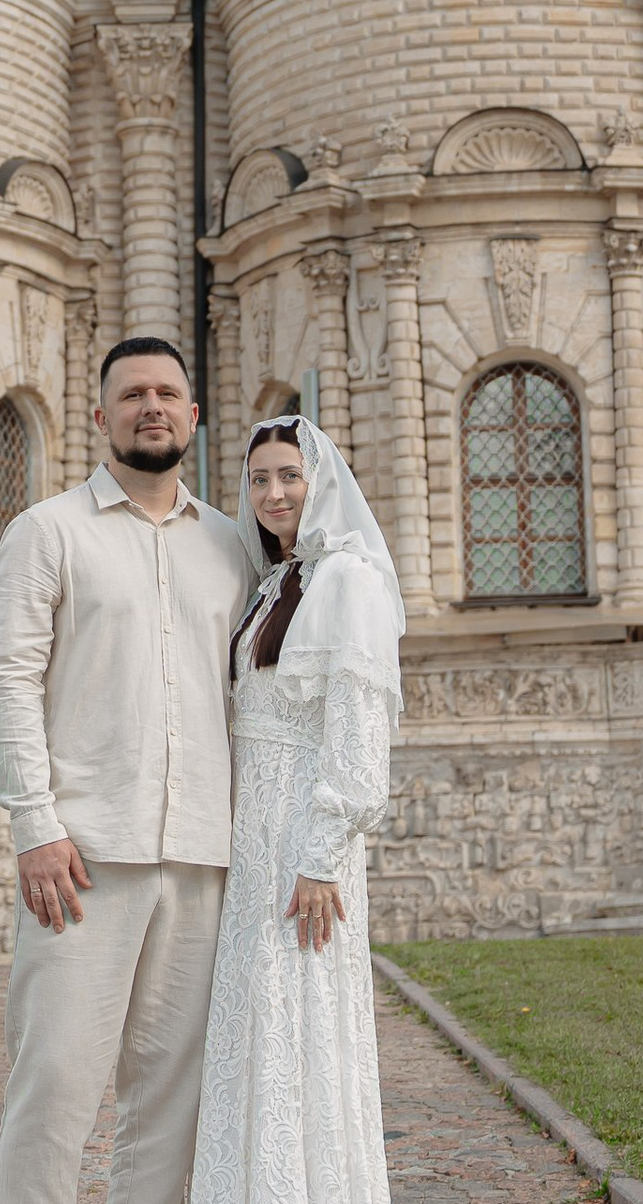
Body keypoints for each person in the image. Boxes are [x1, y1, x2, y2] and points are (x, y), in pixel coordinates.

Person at [0, 337, 256, 1204]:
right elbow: (10, 682)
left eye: (168, 394)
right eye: (133, 394)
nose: (152, 407)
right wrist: (36, 827)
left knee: (172, 1102)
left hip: (204, 857)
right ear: (100, 416)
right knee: (56, 1084)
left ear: (193, 415)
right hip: (83, 857)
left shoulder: (231, 547)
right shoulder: (45, 533)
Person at [190, 416, 404, 1204]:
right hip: (252, 835)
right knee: (253, 1023)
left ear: (319, 480)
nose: (273, 492)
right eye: (258, 478)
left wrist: (320, 858)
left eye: (288, 475)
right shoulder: (281, 582)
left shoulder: (348, 580)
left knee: (299, 1025)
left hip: (301, 843)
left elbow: (357, 735)